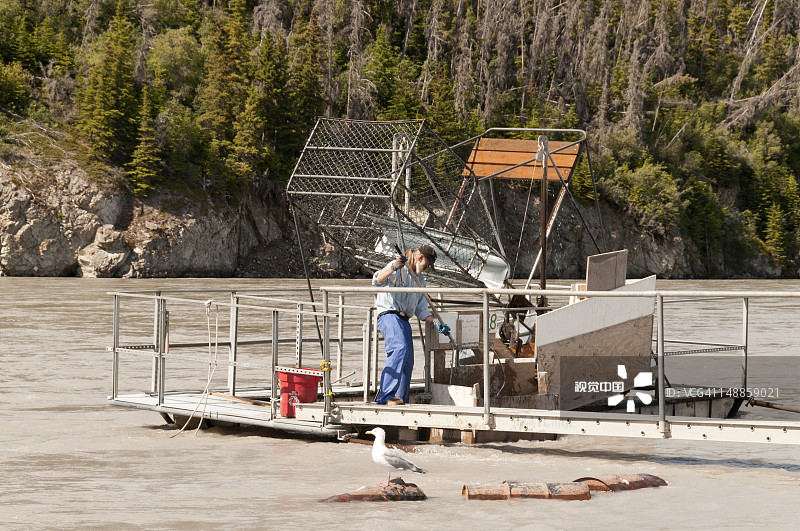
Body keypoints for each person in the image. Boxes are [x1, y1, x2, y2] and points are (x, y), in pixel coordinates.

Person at [372, 244, 450, 405]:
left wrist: (435, 321)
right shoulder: (398, 266)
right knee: (399, 348)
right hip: (389, 314)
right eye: (427, 265)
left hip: (404, 320)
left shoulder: (420, 280)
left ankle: (401, 400)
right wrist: (394, 266)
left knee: (408, 361)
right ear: (420, 257)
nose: (427, 269)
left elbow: (421, 309)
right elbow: (377, 280)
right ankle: (384, 396)